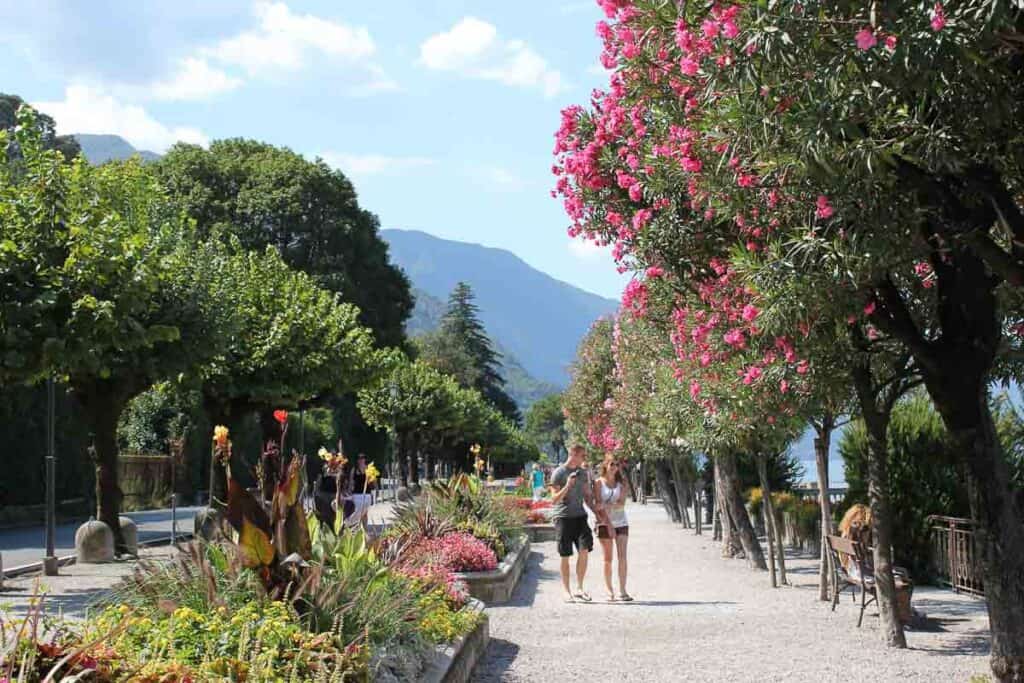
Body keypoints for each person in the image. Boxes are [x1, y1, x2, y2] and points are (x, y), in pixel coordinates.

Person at [550, 444, 595, 603]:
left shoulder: (583, 473)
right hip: (563, 517)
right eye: (582, 456)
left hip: (580, 516)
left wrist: (598, 513)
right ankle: (566, 591)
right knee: (565, 555)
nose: (584, 459)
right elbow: (554, 500)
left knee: (584, 549)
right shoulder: (558, 473)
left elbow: (587, 496)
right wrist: (567, 486)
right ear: (573, 454)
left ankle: (579, 588)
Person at [594, 457, 632, 601]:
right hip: (604, 522)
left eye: (617, 464)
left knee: (622, 557)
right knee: (608, 559)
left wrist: (606, 505)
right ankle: (609, 591)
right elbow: (597, 505)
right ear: (605, 465)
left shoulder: (622, 483)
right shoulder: (598, 483)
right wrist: (607, 518)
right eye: (611, 464)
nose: (614, 466)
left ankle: (623, 591)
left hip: (621, 522)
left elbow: (622, 503)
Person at [349, 454, 375, 530]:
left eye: (362, 458)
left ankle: (365, 530)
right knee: (357, 513)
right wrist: (349, 492)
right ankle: (356, 529)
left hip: (367, 494)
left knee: (365, 514)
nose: (361, 460)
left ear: (365, 459)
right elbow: (351, 482)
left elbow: (373, 483)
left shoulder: (369, 469)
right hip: (357, 495)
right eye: (359, 458)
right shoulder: (354, 470)